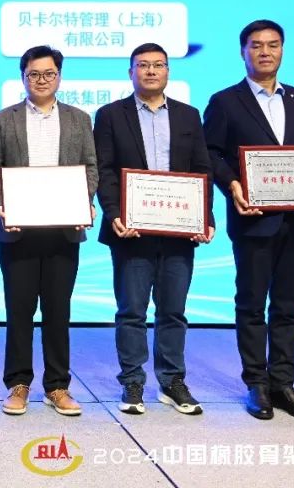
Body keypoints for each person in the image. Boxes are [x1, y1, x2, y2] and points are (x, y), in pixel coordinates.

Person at [203, 19, 294, 422]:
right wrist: (232, 185)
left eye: (273, 44)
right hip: (254, 219)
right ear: (242, 52)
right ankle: (256, 384)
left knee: (289, 306)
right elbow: (211, 154)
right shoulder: (226, 101)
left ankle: (283, 383)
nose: (265, 52)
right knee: (251, 304)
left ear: (282, 50)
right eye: (256, 45)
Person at [94, 43, 215, 417]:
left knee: (173, 311)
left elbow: (202, 169)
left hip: (178, 231)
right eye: (142, 65)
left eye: (158, 65)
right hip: (131, 232)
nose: (150, 71)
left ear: (168, 72)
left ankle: (172, 381)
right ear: (130, 72)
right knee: (131, 311)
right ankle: (132, 381)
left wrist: (205, 217)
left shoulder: (188, 115)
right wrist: (114, 213)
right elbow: (105, 170)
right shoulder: (110, 115)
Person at [0, 45, 97, 418]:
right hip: (18, 230)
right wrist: (2, 207)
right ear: (23, 77)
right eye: (34, 74)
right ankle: (18, 384)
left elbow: (90, 167)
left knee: (57, 311)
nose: (42, 80)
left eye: (49, 73)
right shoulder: (4, 119)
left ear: (59, 76)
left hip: (64, 230)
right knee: (18, 311)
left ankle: (57, 386)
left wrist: (84, 202)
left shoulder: (80, 119)